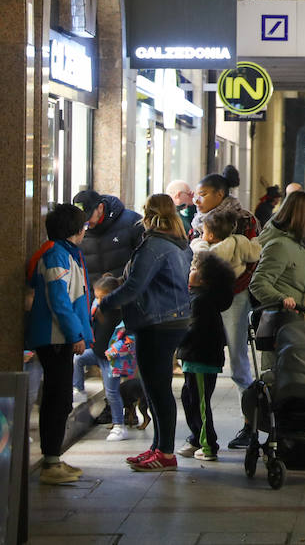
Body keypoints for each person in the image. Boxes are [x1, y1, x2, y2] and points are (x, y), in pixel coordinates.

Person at [97, 194, 193, 472]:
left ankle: (165, 453)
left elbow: (134, 287)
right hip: (172, 321)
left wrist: (106, 302)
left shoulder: (154, 245)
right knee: (155, 389)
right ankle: (158, 448)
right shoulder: (180, 244)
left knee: (157, 390)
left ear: (147, 215)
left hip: (156, 323)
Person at [26, 203, 94, 484]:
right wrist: (75, 334)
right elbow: (60, 300)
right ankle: (50, 463)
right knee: (58, 399)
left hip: (60, 337)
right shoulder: (56, 255)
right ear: (75, 230)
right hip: (56, 338)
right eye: (84, 226)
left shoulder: (64, 253)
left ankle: (53, 459)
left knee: (61, 398)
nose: (86, 231)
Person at [190, 206, 261, 449]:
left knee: (223, 366)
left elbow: (201, 258)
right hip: (236, 295)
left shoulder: (208, 249)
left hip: (221, 300)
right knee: (239, 362)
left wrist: (199, 245)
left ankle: (206, 434)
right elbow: (256, 251)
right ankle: (249, 423)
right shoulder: (241, 241)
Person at [249, 190, 305, 369]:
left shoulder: (296, 245)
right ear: (302, 216)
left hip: (299, 329)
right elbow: (258, 283)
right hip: (283, 329)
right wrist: (281, 298)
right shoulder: (280, 245)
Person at [176, 250, 235, 461]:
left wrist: (175, 340)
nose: (189, 271)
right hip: (195, 358)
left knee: (199, 403)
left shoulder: (201, 301)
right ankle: (196, 438)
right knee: (190, 398)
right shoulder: (199, 298)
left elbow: (191, 330)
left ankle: (208, 444)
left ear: (204, 279)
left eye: (194, 269)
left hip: (200, 359)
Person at [74, 274, 129, 441]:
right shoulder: (98, 309)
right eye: (96, 297)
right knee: (78, 359)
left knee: (112, 392)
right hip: (96, 353)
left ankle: (119, 425)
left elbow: (128, 338)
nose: (99, 300)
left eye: (102, 297)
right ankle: (78, 390)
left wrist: (116, 350)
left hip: (111, 359)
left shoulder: (123, 313)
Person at [72, 189, 142, 278]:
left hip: (124, 289)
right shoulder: (77, 231)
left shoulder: (132, 222)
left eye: (88, 217)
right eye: (81, 219)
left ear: (100, 207)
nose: (86, 222)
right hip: (92, 290)